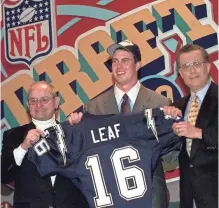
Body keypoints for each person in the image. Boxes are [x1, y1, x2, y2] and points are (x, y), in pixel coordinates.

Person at [69, 40, 175, 208]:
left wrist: (173, 126)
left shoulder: (160, 103)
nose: (119, 66)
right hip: (109, 196)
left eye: (125, 60)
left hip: (151, 197)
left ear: (138, 64)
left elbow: (171, 159)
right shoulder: (94, 107)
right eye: (115, 61)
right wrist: (74, 128)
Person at [1, 81, 89, 208]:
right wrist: (23, 147)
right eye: (33, 100)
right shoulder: (13, 135)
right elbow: (4, 175)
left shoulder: (72, 132)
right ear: (27, 105)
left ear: (56, 102)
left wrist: (79, 130)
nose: (39, 105)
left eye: (44, 99)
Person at [163, 44, 218, 208]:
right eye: (186, 66)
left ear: (207, 67)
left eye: (196, 64)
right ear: (181, 74)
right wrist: (167, 125)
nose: (192, 71)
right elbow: (170, 155)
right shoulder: (177, 107)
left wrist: (198, 132)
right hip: (190, 196)